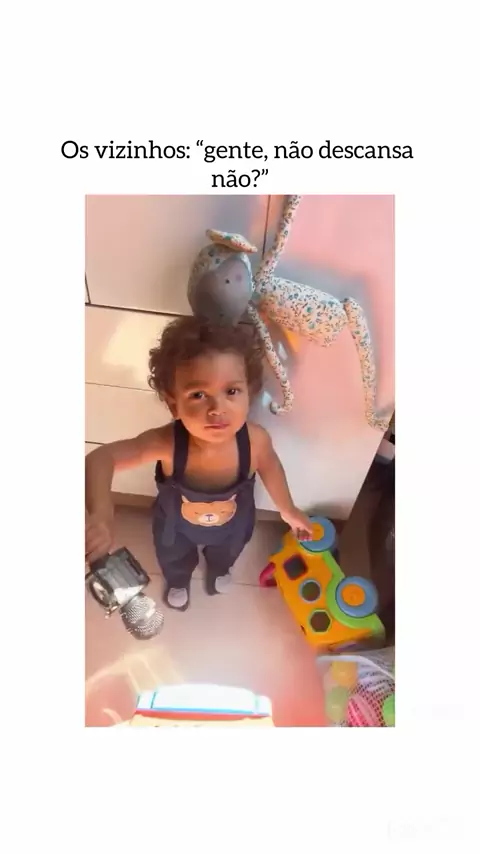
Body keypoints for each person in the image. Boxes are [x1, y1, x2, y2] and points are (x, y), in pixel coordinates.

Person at [85, 316, 313, 611]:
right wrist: (102, 514)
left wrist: (288, 509)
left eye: (231, 391)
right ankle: (178, 580)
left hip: (233, 524)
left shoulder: (255, 440)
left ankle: (219, 569)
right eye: (199, 395)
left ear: (249, 393)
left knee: (228, 551)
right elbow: (101, 458)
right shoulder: (167, 443)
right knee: (173, 556)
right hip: (176, 528)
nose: (217, 408)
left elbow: (270, 466)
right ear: (173, 404)